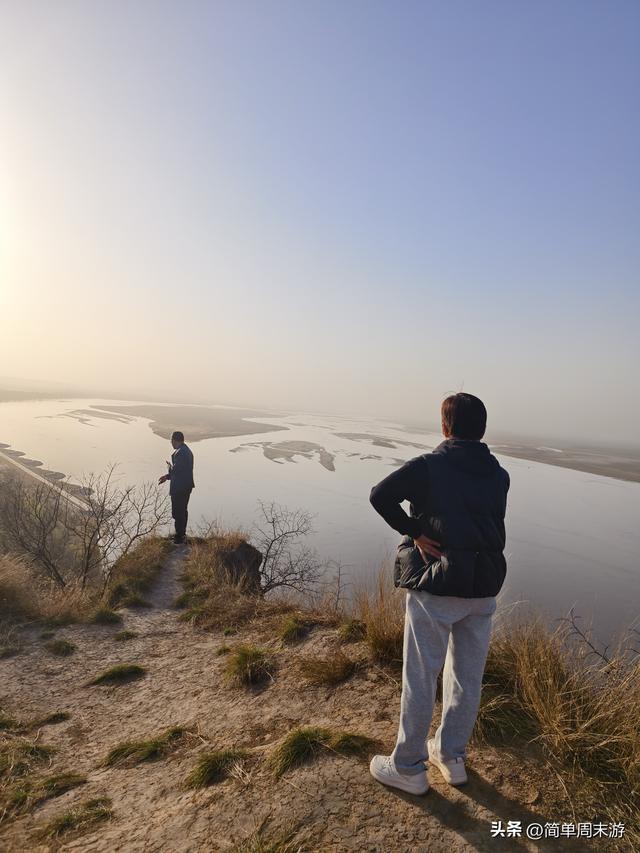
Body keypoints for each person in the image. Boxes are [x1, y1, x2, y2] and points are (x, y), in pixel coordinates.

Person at [368, 393, 510, 796]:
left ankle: (408, 766)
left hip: (440, 586)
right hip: (483, 588)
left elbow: (380, 495)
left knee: (420, 675)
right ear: (481, 429)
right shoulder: (498, 474)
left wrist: (413, 530)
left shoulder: (430, 466)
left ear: (445, 427)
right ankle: (450, 755)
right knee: (467, 677)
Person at [158, 430, 195, 545]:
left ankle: (179, 537)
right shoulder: (185, 450)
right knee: (182, 510)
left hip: (180, 487)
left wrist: (169, 467)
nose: (171, 443)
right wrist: (167, 477)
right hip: (185, 486)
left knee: (178, 512)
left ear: (175, 440)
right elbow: (180, 471)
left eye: (171, 441)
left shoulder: (181, 453)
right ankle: (181, 534)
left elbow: (176, 470)